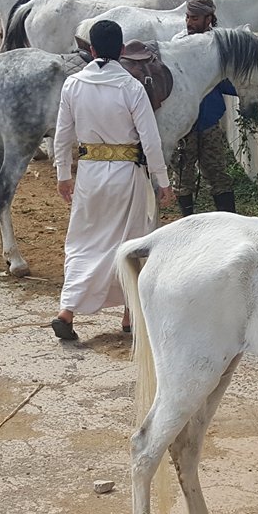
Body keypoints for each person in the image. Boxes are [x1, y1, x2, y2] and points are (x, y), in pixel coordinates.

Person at [51, 19, 172, 342]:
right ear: (122, 51)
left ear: (91, 50)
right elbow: (151, 140)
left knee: (83, 241)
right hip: (126, 175)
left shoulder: (73, 84)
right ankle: (129, 315)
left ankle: (67, 310)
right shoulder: (131, 87)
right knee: (130, 242)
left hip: (89, 174)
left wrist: (64, 174)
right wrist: (163, 181)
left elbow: (61, 137)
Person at [167, 0, 237, 218]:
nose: (189, 22)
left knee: (218, 174)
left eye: (195, 18)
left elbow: (231, 83)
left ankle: (230, 224)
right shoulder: (177, 44)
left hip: (209, 123)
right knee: (182, 177)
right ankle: (187, 223)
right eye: (187, 17)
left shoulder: (220, 45)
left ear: (209, 18)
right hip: (184, 126)